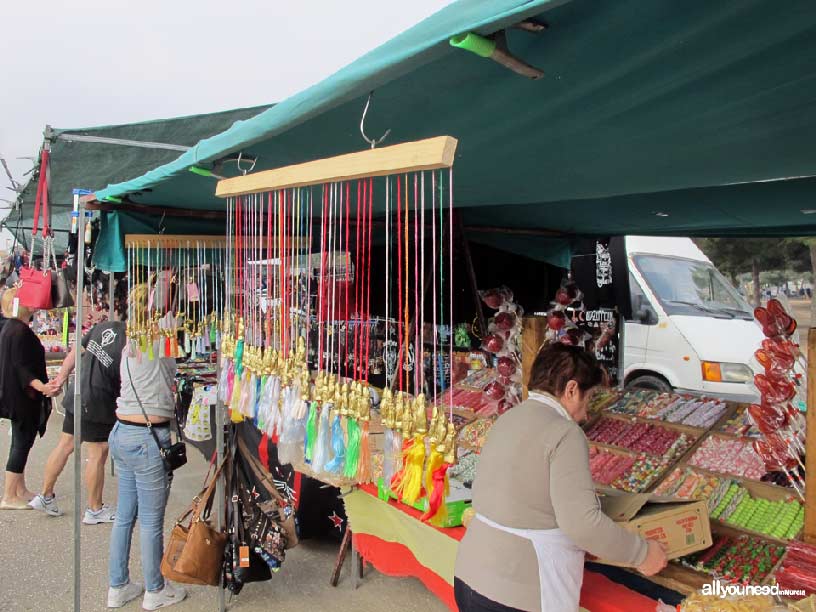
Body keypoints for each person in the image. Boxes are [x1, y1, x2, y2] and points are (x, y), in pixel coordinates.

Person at [455, 343, 668, 612]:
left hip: (470, 575)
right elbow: (582, 524)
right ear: (571, 389)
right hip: (518, 592)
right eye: (588, 398)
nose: (587, 412)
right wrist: (642, 553)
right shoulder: (564, 433)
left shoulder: (508, 418)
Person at [107, 284, 186, 610]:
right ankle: (154, 589)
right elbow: (172, 304)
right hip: (146, 438)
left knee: (125, 517)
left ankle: (118, 586)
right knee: (151, 522)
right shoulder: (159, 339)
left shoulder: (129, 343)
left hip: (122, 433)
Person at [29, 299, 128, 523]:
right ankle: (94, 509)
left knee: (65, 445)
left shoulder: (103, 327)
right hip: (98, 399)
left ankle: (45, 495)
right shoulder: (128, 340)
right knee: (98, 452)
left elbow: (76, 351)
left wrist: (62, 377)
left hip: (79, 391)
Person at [0, 288, 60, 509]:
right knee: (21, 444)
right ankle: (9, 495)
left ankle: (19, 488)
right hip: (22, 396)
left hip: (15, 394)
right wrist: (42, 387)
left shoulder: (11, 328)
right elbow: (21, 368)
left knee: (20, 442)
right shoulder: (19, 332)